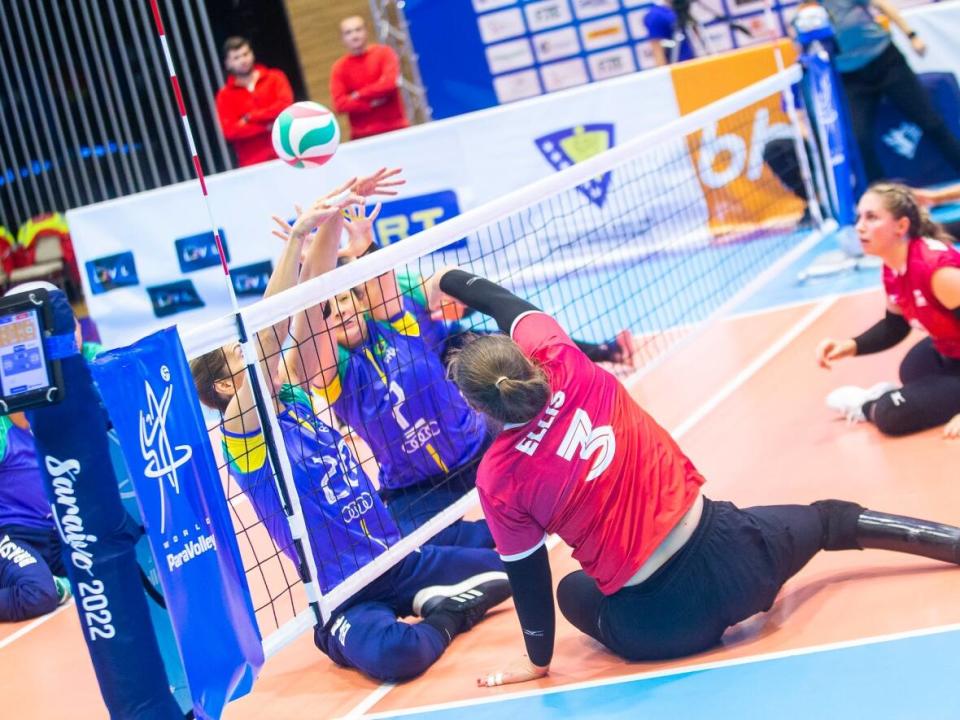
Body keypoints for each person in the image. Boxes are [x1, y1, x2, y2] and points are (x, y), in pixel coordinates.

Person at [421, 265, 960, 687]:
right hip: (740, 560)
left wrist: (538, 661)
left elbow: (529, 580)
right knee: (831, 520)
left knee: (572, 591)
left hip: (662, 625)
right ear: (527, 360)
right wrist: (438, 280)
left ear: (475, 403)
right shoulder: (568, 361)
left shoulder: (497, 477)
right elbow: (501, 301)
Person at [190, 179, 510, 682]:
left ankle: (431, 596)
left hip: (397, 558)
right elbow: (271, 330)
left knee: (509, 572)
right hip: (345, 591)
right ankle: (446, 616)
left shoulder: (292, 389)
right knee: (395, 658)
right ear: (229, 385)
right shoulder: (245, 434)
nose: (256, 353)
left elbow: (312, 298)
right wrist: (295, 241)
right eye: (240, 355)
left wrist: (334, 213)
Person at [816, 183, 960, 437]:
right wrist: (851, 345)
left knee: (890, 414)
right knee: (913, 368)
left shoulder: (937, 272)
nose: (859, 227)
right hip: (951, 352)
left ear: (901, 226)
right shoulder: (894, 265)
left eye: (871, 218)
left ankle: (867, 405)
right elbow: (896, 326)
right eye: (859, 217)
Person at [0, 286, 102, 622]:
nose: (68, 335)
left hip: (64, 528)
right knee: (39, 593)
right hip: (13, 534)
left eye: (71, 324)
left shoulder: (91, 362)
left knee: (111, 568)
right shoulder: (5, 420)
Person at [819, 0, 960, 183]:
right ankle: (881, 197)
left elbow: (883, 5)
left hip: (885, 62)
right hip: (850, 78)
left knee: (930, 121)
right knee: (859, 140)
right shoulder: (807, 13)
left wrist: (912, 35)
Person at [215, 36, 294, 167]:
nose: (243, 60)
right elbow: (230, 131)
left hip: (289, 154)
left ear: (252, 54)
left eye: (245, 54)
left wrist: (250, 117)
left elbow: (285, 107)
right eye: (236, 57)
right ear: (227, 63)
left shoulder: (275, 77)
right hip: (253, 164)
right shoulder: (224, 95)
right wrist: (266, 126)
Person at [329, 16, 409, 140]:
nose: (354, 36)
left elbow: (389, 84)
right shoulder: (339, 68)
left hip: (396, 130)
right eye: (348, 32)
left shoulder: (384, 53)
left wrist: (359, 94)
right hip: (362, 137)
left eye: (358, 30)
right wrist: (370, 104)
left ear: (366, 31)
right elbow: (340, 104)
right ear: (342, 39)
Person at [644, 0, 696, 67]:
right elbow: (657, 51)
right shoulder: (656, 15)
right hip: (677, 66)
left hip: (691, 62)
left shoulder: (678, 9)